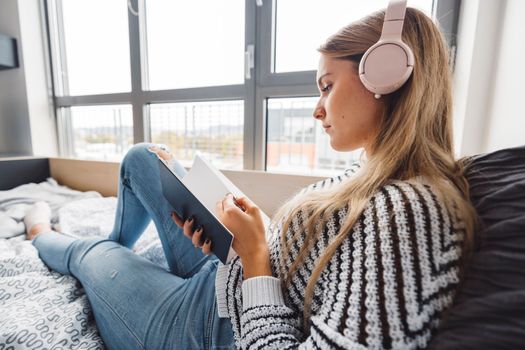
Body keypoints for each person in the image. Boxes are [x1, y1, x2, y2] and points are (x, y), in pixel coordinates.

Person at [26, 4, 477, 350]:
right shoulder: (376, 173)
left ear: (385, 74)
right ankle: (124, 259)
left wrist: (257, 255)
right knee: (145, 158)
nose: (317, 108)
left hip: (205, 328)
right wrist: (243, 238)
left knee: (91, 253)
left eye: (326, 86)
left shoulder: (407, 212)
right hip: (227, 279)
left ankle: (42, 231)